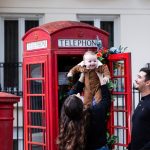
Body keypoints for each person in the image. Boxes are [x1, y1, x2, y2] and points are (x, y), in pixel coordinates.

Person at [57, 72, 111, 150]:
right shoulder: (95, 112)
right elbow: (106, 100)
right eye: (78, 96)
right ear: (81, 105)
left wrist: (82, 77)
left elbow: (70, 97)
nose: (78, 93)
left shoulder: (67, 113)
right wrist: (101, 78)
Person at [128, 67, 150, 150]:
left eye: (139, 77)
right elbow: (139, 129)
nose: (136, 80)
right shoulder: (142, 101)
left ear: (147, 82)